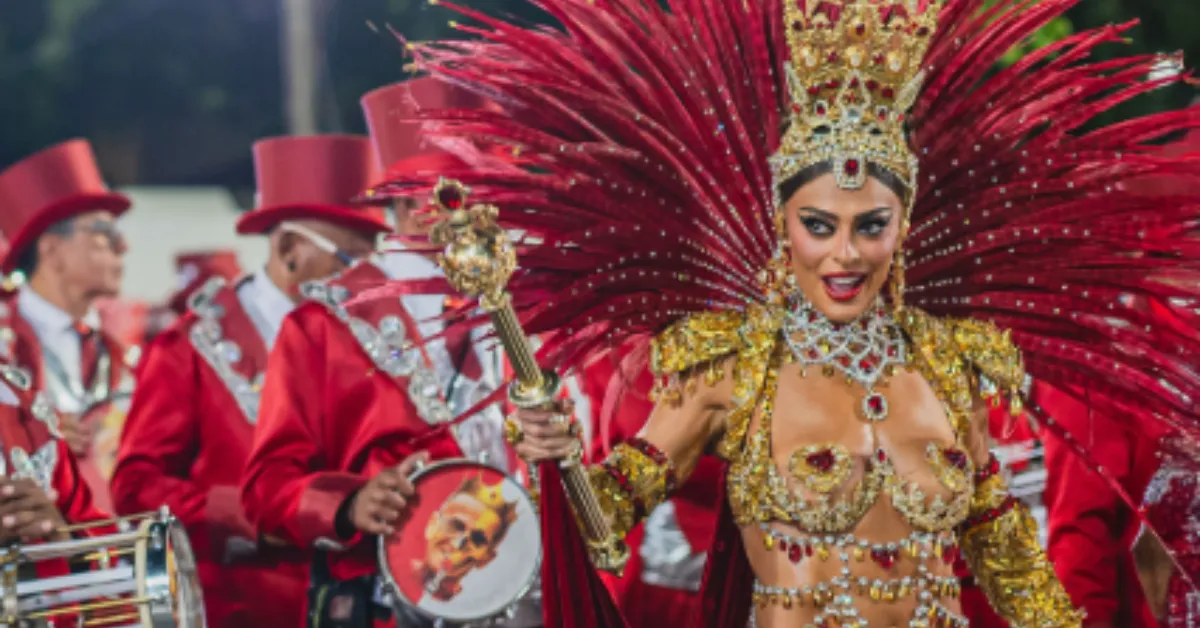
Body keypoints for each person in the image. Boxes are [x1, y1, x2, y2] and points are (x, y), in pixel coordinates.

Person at [379, 0, 1200, 626]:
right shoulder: (732, 366)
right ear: (782, 228)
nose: (845, 255)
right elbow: (608, 517)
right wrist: (555, 459)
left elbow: (1000, 544)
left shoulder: (949, 359)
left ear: (904, 228)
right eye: (819, 226)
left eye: (871, 226)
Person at [242, 78, 536, 628]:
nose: (490, 211)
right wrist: (348, 504)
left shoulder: (523, 308)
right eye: (468, 191)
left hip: (523, 600)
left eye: (495, 190)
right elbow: (266, 489)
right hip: (387, 604)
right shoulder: (321, 324)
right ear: (410, 202)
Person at [110, 135, 388, 628]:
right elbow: (135, 488)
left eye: (372, 263)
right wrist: (252, 514)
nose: (362, 279)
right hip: (246, 605)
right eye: (349, 260)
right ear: (288, 249)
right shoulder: (190, 347)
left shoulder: (369, 339)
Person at [0, 139, 134, 514]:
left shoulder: (121, 351)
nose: (124, 247)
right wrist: (30, 429)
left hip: (115, 535)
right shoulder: (4, 342)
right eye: (104, 234)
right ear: (52, 251)